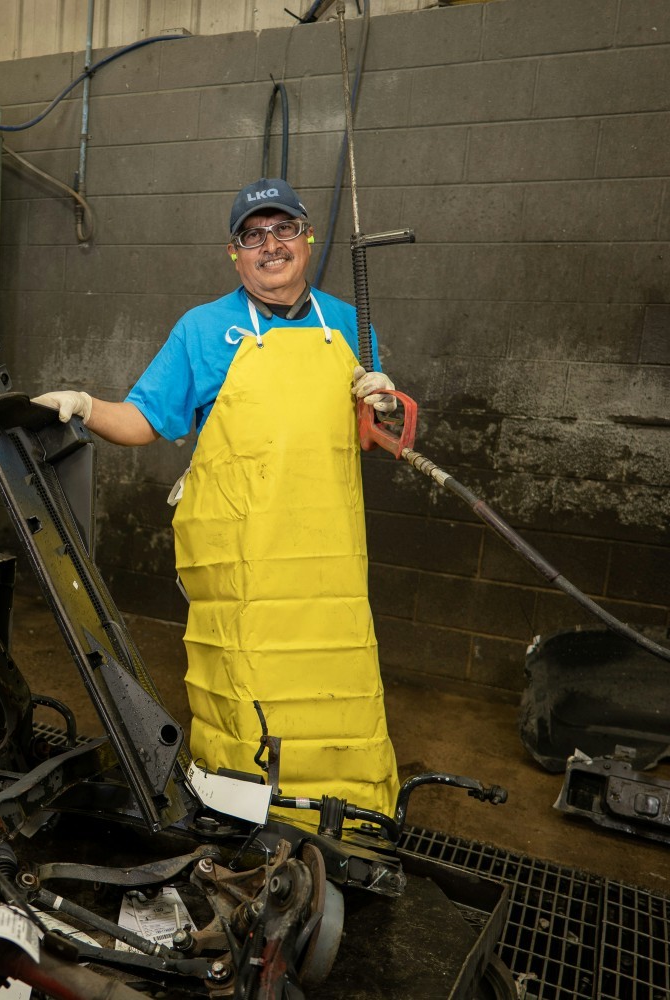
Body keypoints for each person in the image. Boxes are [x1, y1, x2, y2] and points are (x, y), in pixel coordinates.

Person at [33, 178, 401, 819]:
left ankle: (352, 819)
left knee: (337, 693)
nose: (270, 246)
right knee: (245, 703)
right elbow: (145, 421)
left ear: (307, 240)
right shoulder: (203, 330)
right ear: (236, 254)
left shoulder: (347, 325)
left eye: (283, 229)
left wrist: (383, 404)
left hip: (327, 569)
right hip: (244, 569)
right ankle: (240, 824)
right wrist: (87, 406)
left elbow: (373, 440)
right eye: (253, 236)